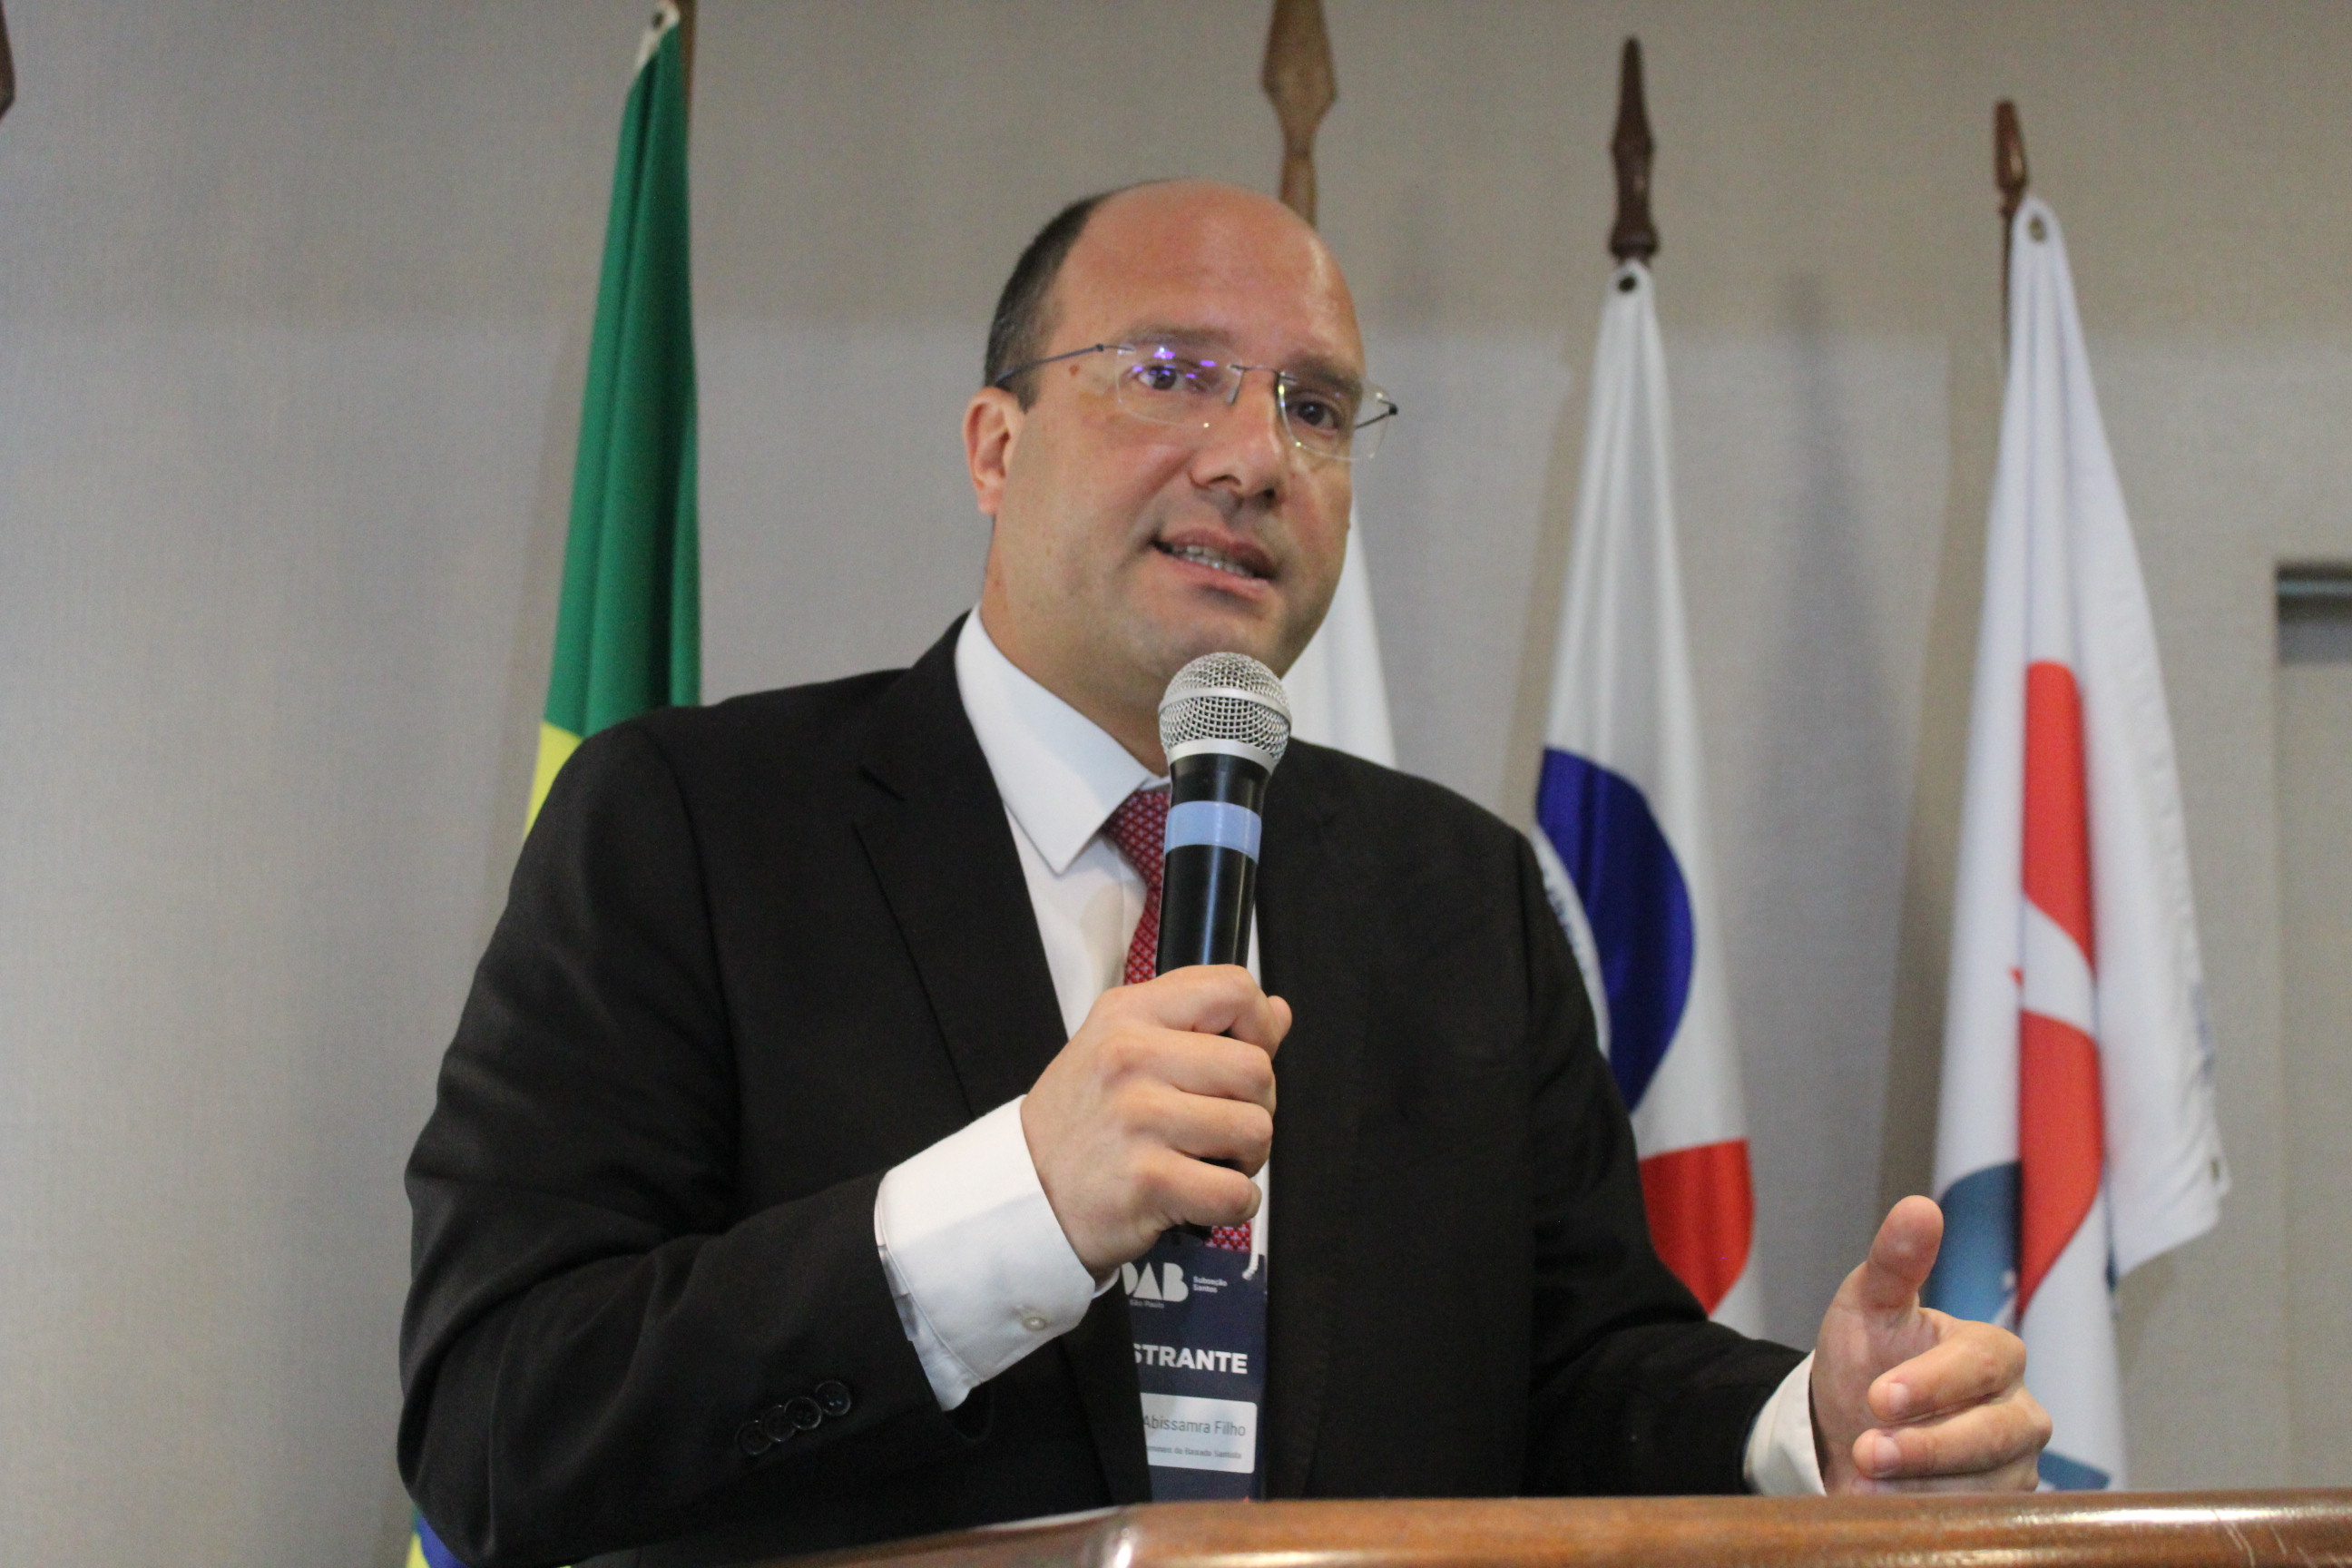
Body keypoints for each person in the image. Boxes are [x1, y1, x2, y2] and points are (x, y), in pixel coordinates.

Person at [401, 180, 2047, 1568]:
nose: (1254, 456)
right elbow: (497, 1429)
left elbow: (1576, 1378)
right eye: (1175, 373)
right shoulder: (695, 828)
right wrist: (1016, 1205)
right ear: (994, 446)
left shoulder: (1456, 894)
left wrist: (1814, 1427)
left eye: (1314, 408)